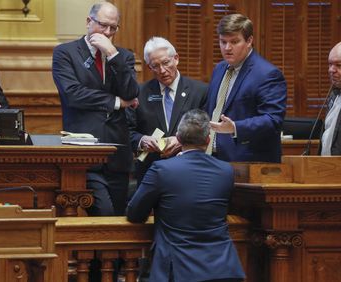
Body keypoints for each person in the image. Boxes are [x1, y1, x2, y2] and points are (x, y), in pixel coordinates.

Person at [127, 109, 245, 282]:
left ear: (179, 138)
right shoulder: (226, 170)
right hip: (222, 268)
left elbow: (135, 213)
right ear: (207, 140)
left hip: (178, 269)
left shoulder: (162, 169)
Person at [52, 2, 139, 216]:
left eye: (113, 28)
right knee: (104, 212)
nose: (108, 32)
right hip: (85, 152)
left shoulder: (123, 56)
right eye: (103, 26)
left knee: (119, 218)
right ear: (88, 22)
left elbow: (131, 93)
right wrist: (116, 102)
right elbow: (73, 94)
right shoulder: (66, 53)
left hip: (117, 154)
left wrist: (111, 53)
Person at [206, 13, 287, 163]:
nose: (227, 48)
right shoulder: (219, 69)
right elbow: (211, 111)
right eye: (223, 42)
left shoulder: (267, 74)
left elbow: (273, 120)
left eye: (234, 42)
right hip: (213, 158)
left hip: (248, 161)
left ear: (249, 41)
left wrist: (235, 127)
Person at [127, 36, 207, 185]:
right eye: (155, 66)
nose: (162, 70)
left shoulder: (200, 91)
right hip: (151, 173)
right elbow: (127, 131)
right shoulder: (139, 93)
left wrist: (180, 140)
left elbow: (207, 131)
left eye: (166, 63)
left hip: (189, 172)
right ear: (149, 67)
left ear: (176, 58)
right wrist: (141, 140)